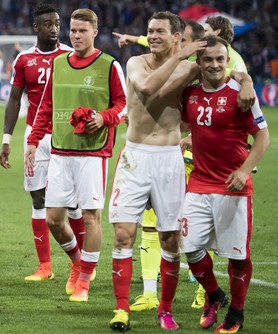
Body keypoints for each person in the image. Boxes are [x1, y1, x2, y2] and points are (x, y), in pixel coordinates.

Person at [107, 12, 209, 331]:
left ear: (176, 35)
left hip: (168, 158)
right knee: (124, 233)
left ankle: (165, 309)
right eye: (149, 31)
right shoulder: (136, 63)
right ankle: (121, 309)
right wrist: (180, 55)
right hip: (135, 157)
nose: (152, 36)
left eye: (159, 31)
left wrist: (246, 80)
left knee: (169, 239)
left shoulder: (191, 69)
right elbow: (149, 88)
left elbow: (226, 72)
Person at [26, 8, 126, 303]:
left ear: (95, 32)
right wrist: (33, 140)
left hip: (92, 153)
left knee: (92, 217)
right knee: (54, 218)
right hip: (59, 151)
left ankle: (83, 281)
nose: (76, 35)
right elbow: (46, 106)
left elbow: (123, 104)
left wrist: (105, 118)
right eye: (73, 30)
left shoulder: (109, 65)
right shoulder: (59, 64)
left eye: (83, 31)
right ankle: (78, 261)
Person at [180, 35, 269, 333]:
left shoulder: (242, 93)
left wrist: (245, 170)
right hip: (199, 182)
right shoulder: (190, 94)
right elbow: (196, 124)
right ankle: (216, 295)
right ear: (199, 63)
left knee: (238, 256)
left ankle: (237, 314)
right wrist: (187, 138)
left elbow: (262, 137)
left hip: (234, 186)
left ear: (227, 60)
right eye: (209, 59)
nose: (215, 64)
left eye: (220, 59)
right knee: (190, 248)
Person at [0, 3, 86, 284]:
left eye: (57, 24)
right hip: (34, 138)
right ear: (36, 27)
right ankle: (44, 266)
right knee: (38, 198)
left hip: (65, 136)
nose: (54, 29)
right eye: (48, 24)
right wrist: (6, 140)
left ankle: (84, 264)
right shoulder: (24, 59)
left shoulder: (71, 56)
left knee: (72, 203)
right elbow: (14, 100)